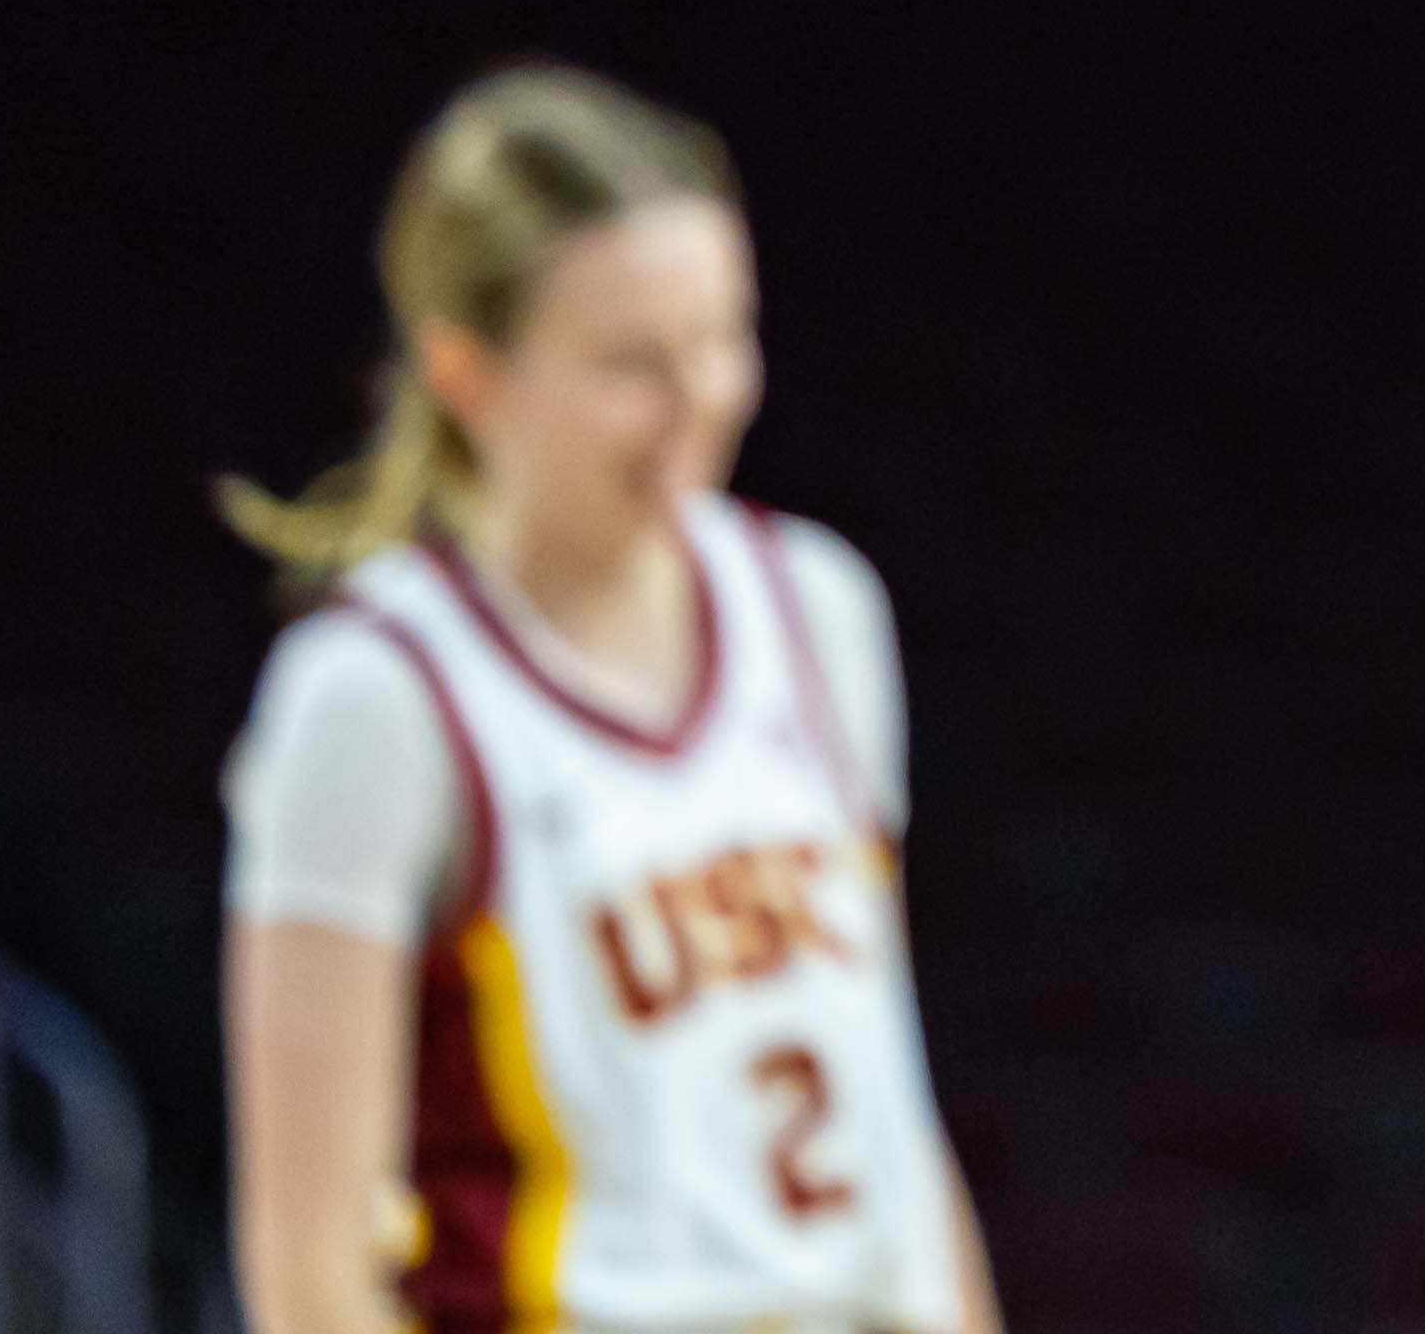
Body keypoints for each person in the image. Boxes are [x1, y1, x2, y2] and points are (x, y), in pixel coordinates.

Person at [215, 64, 992, 1334]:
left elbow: (892, 1108)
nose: (705, 401)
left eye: (724, 338)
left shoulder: (818, 604)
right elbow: (309, 1275)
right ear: (466, 370)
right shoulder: (376, 700)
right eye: (636, 363)